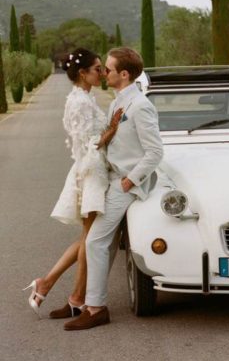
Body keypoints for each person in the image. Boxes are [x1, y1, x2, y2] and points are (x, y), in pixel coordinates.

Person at [64, 47, 163, 330]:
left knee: (95, 241)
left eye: (108, 69)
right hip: (112, 180)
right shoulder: (117, 103)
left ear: (124, 74)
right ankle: (88, 302)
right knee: (101, 243)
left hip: (126, 183)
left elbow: (155, 152)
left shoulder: (141, 106)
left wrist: (129, 181)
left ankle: (96, 309)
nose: (103, 72)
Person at [24, 48, 122, 318]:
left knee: (88, 238)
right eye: (98, 69)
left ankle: (51, 284)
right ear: (83, 73)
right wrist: (111, 130)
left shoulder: (87, 97)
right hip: (91, 173)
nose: (102, 73)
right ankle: (75, 297)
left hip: (96, 170)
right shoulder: (78, 101)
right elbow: (85, 143)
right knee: (91, 239)